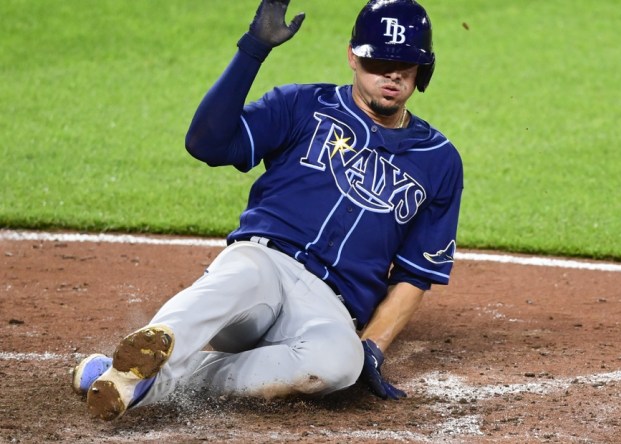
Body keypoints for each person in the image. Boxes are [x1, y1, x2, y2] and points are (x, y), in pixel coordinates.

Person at [71, 0, 463, 421]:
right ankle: (158, 340)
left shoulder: (439, 159)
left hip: (329, 306)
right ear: (352, 56)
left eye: (405, 64)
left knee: (338, 365)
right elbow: (207, 144)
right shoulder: (301, 105)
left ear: (424, 70)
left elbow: (415, 273)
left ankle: (128, 378)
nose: (392, 74)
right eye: (378, 60)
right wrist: (253, 49)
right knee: (237, 278)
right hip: (264, 265)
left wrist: (372, 346)